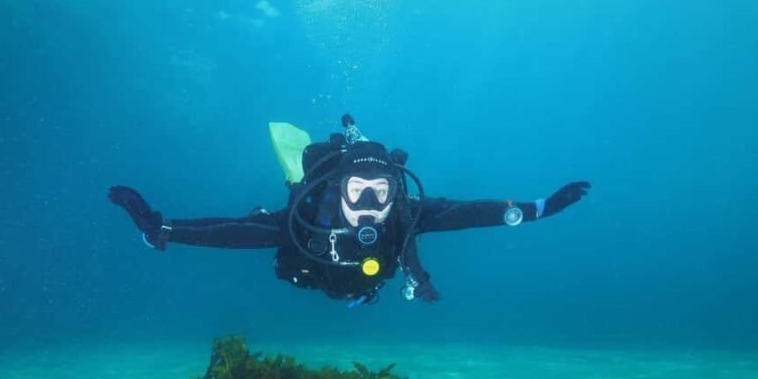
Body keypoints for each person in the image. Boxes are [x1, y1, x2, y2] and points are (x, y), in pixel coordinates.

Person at [108, 115, 590, 306]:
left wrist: (540, 208)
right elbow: (236, 231)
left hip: (364, 287)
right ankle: (312, 162)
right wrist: (162, 227)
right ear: (338, 189)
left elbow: (470, 213)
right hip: (313, 274)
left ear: (395, 190)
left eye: (380, 192)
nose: (369, 205)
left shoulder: (404, 213)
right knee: (269, 222)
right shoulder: (308, 217)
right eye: (357, 191)